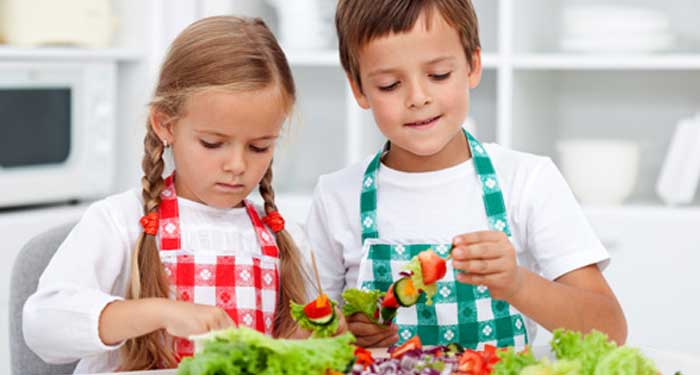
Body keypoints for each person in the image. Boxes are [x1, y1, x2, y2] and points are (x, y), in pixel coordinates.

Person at [23, 16, 342, 373]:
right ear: (166, 125)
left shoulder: (285, 236)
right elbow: (42, 325)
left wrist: (320, 338)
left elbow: (308, 346)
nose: (237, 164)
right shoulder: (120, 222)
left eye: (258, 147)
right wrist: (158, 312)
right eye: (212, 143)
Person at [306, 0, 626, 350]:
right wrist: (348, 333)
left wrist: (518, 284)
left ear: (473, 65)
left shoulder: (526, 181)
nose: (418, 97)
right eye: (389, 84)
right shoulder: (337, 196)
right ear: (358, 88)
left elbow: (609, 329)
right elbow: (305, 332)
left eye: (439, 75)